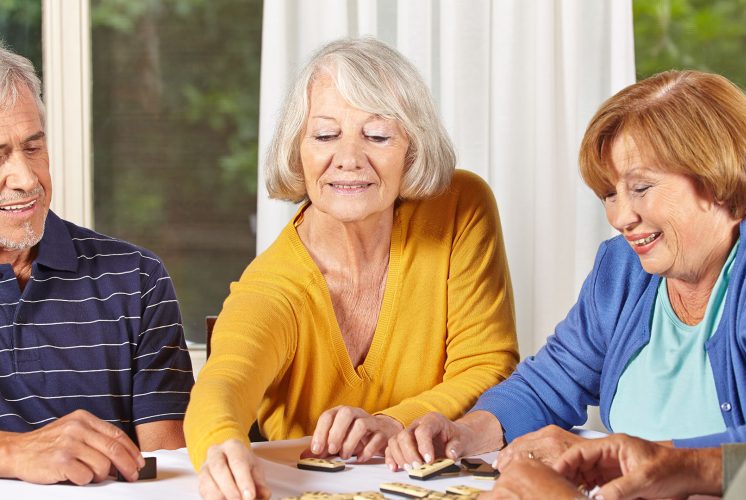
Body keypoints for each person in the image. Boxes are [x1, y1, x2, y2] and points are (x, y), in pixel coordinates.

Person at [387, 69, 746, 474]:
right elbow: (549, 382)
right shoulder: (622, 266)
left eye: (640, 188)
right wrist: (462, 432)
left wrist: (621, 456)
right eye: (609, 194)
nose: (620, 217)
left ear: (714, 177)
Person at [184, 37, 519, 499]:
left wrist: (390, 423)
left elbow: (489, 364)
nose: (348, 158)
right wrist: (222, 447)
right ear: (297, 149)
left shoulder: (460, 207)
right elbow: (224, 382)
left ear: (412, 149)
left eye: (377, 136)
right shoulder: (273, 286)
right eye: (325, 135)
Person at [0, 43, 194, 485]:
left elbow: (172, 470)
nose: (27, 179)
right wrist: (14, 452)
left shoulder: (137, 279)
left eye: (34, 148)